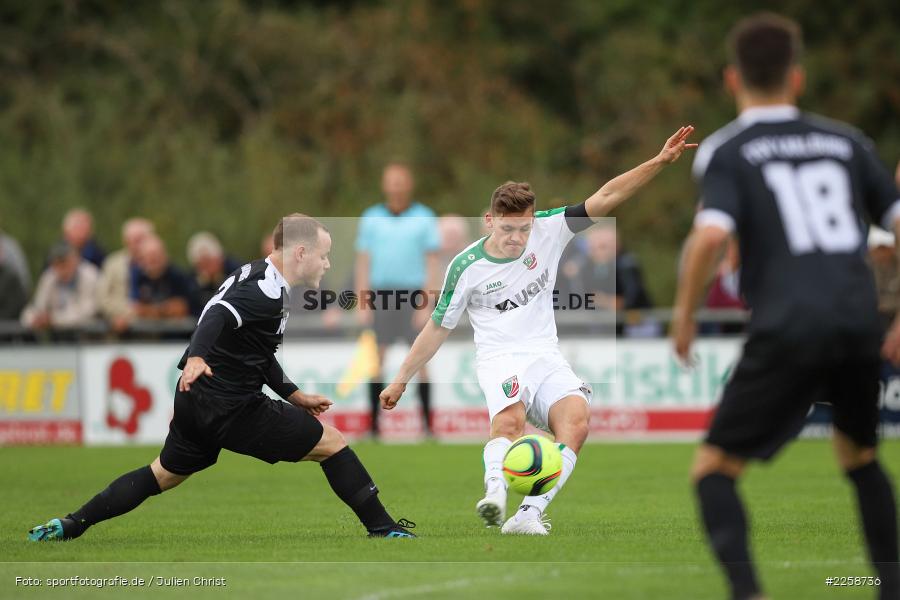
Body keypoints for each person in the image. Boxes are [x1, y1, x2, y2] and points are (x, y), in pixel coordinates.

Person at [671, 14, 899, 600]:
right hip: (857, 321)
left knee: (713, 471)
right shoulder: (848, 142)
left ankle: (749, 593)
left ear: (732, 78)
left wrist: (684, 316)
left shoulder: (728, 150)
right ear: (797, 77)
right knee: (860, 456)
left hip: (789, 323)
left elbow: (709, 237)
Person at [380, 126, 696, 534]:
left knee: (577, 422)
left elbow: (607, 196)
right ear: (489, 221)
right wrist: (401, 380)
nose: (516, 238)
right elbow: (437, 328)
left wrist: (659, 161)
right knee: (510, 424)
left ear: (533, 220)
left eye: (524, 229)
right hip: (500, 358)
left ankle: (528, 515)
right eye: (507, 229)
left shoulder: (551, 227)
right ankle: (495, 495)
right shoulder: (466, 266)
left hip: (545, 354)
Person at [28, 214, 416, 542]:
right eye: (324, 255)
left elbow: (255, 351)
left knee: (163, 474)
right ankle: (384, 529)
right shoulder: (266, 291)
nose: (327, 264)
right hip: (230, 404)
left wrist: (294, 395)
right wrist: (197, 356)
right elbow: (217, 314)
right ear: (300, 253)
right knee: (332, 443)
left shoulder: (257, 274)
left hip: (196, 399)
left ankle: (71, 524)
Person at [355, 163, 441, 439]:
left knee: (421, 360)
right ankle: (373, 427)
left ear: (409, 184)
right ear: (384, 185)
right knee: (376, 360)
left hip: (413, 296)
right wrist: (362, 301)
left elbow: (432, 263)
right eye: (391, 181)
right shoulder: (371, 218)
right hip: (381, 296)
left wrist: (426, 303)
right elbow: (363, 262)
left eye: (400, 181)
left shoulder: (425, 218)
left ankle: (427, 427)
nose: (396, 186)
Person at [21, 242, 99, 331]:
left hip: (87, 334)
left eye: (65, 263)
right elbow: (37, 306)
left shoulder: (90, 275)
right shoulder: (49, 276)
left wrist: (54, 319)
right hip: (57, 334)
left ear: (76, 260)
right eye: (57, 264)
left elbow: (88, 312)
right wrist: (34, 319)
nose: (61, 269)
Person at [97, 218, 155, 333]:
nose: (137, 245)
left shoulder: (156, 264)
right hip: (118, 328)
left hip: (151, 329)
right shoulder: (112, 263)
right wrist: (125, 312)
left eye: (141, 240)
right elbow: (102, 298)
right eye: (134, 240)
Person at [131, 235, 191, 321]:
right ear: (142, 259)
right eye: (150, 258)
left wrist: (150, 310)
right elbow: (136, 308)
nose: (154, 260)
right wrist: (163, 309)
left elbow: (181, 308)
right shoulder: (137, 276)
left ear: (165, 256)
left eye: (157, 256)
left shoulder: (177, 275)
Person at [185, 231, 242, 317]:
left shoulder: (237, 271)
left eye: (208, 263)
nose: (204, 270)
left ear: (219, 258)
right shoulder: (193, 279)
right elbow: (193, 308)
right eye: (200, 265)